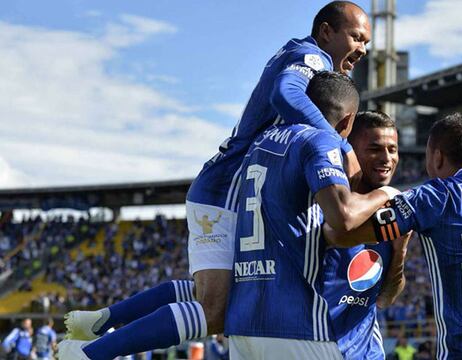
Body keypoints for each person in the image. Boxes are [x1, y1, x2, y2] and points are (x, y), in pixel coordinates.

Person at [58, 2, 371, 358]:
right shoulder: (313, 57)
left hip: (232, 187)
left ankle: (101, 322)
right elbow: (285, 92)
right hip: (229, 189)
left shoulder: (298, 53)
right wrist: (338, 142)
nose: (362, 49)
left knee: (226, 289)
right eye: (357, 37)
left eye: (366, 43)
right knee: (214, 309)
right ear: (327, 32)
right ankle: (87, 355)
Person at [325, 113, 462, 358]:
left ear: (437, 157)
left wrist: (385, 194)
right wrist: (399, 250)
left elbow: (342, 233)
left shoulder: (437, 196)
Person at [225, 72, 398, 359]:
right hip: (298, 326)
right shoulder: (319, 142)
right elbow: (342, 218)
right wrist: (388, 194)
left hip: (245, 325)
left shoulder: (261, 142)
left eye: (393, 149)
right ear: (347, 124)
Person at [323, 110, 410, 359]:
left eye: (392, 150)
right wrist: (387, 193)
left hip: (367, 352)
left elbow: (385, 299)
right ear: (351, 151)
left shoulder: (392, 213)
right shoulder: (327, 204)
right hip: (319, 346)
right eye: (375, 149)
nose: (386, 158)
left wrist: (399, 250)